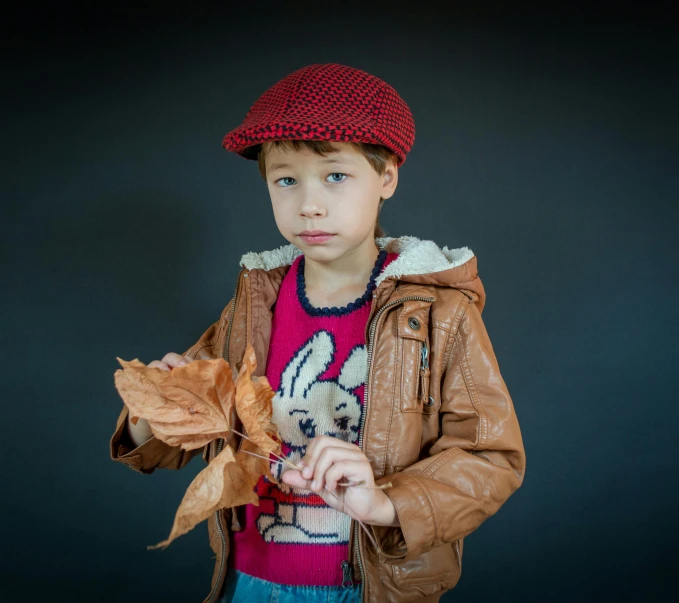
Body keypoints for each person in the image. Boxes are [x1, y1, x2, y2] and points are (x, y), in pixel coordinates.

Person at [109, 63, 526, 603]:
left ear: (387, 178)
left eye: (334, 175)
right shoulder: (252, 304)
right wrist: (159, 408)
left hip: (371, 587)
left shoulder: (436, 314)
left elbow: (492, 458)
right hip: (251, 581)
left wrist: (385, 502)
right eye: (286, 180)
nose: (308, 203)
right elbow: (175, 436)